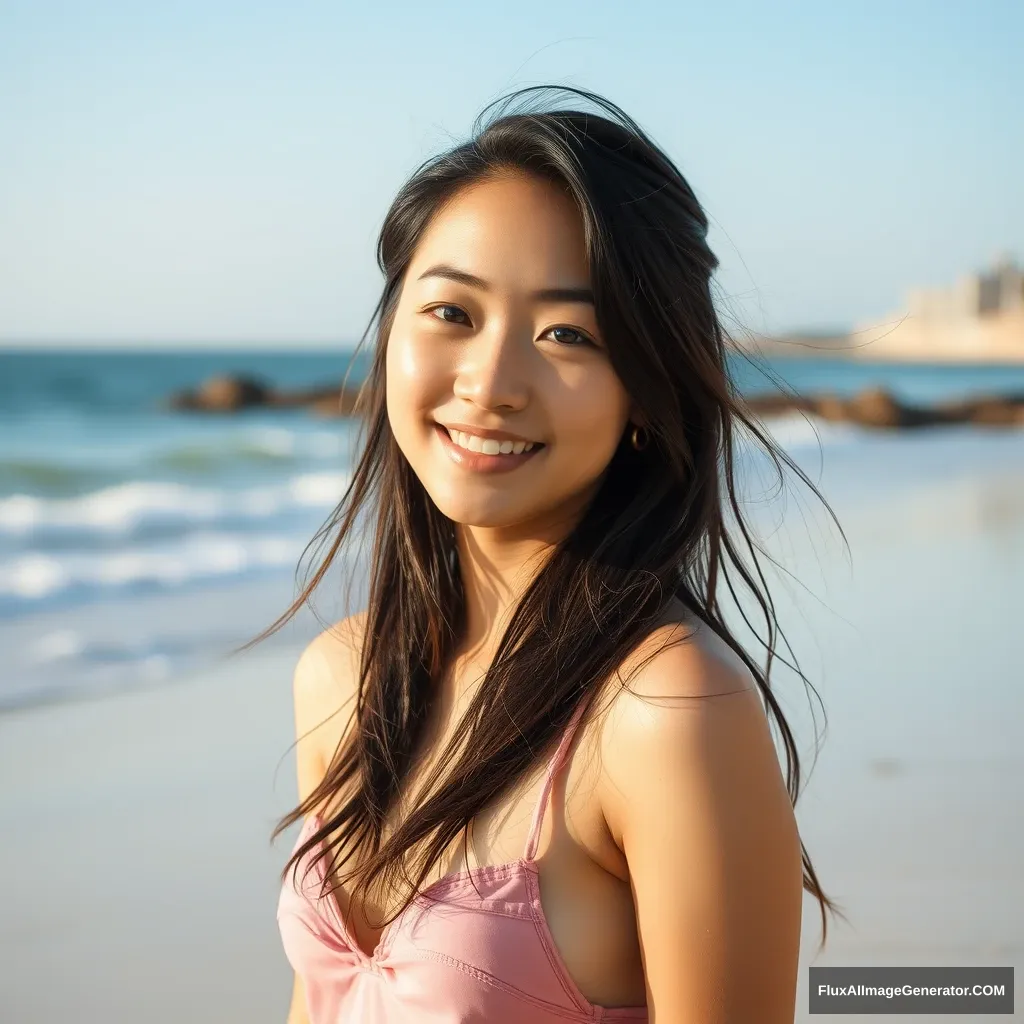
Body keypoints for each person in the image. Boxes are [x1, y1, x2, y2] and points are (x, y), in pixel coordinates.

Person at [266, 85, 845, 1023]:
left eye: (567, 335)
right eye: (451, 313)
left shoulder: (665, 711)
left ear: (647, 394)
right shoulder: (343, 676)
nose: (490, 383)